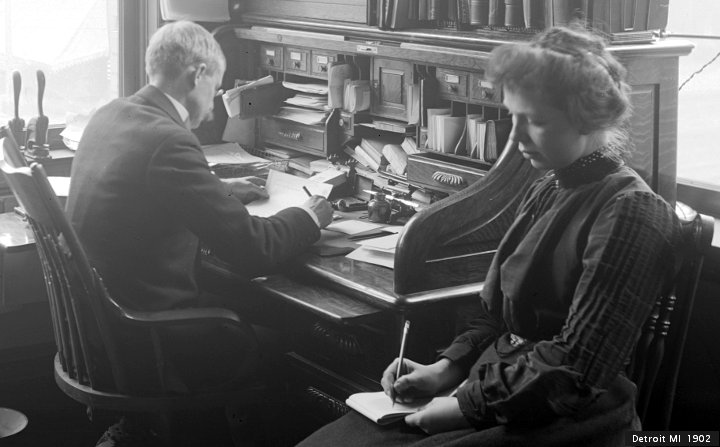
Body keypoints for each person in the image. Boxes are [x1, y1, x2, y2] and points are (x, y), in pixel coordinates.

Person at [298, 25, 682, 447]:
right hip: (500, 388)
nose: (515, 138)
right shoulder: (548, 187)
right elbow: (501, 316)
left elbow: (579, 367)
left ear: (588, 118)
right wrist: (445, 369)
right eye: (513, 118)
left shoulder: (632, 211)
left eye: (535, 121)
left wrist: (466, 407)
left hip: (565, 415)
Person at [65, 20, 333, 445]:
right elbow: (253, 249)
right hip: (151, 341)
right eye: (216, 87)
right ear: (198, 74)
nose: (213, 103)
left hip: (100, 334)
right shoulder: (168, 140)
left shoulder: (111, 115)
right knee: (300, 339)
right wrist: (309, 216)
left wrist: (218, 189)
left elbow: (146, 189)